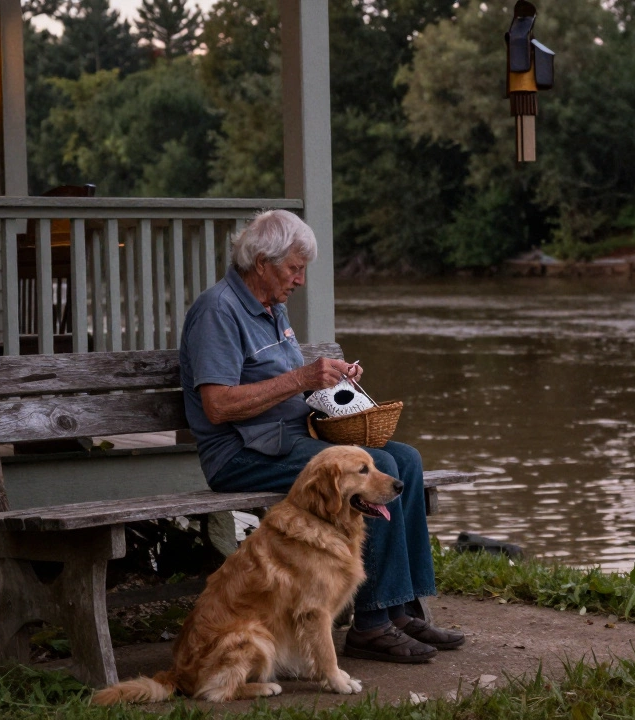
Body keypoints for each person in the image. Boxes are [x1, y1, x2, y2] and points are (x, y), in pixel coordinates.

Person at [178, 209, 464, 663]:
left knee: (405, 458)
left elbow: (292, 381)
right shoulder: (219, 311)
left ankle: (402, 609)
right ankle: (371, 625)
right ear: (261, 263)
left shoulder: (271, 306)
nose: (300, 280)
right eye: (294, 268)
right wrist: (300, 379)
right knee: (380, 469)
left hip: (289, 436)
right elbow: (218, 405)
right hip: (242, 452)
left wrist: (333, 380)